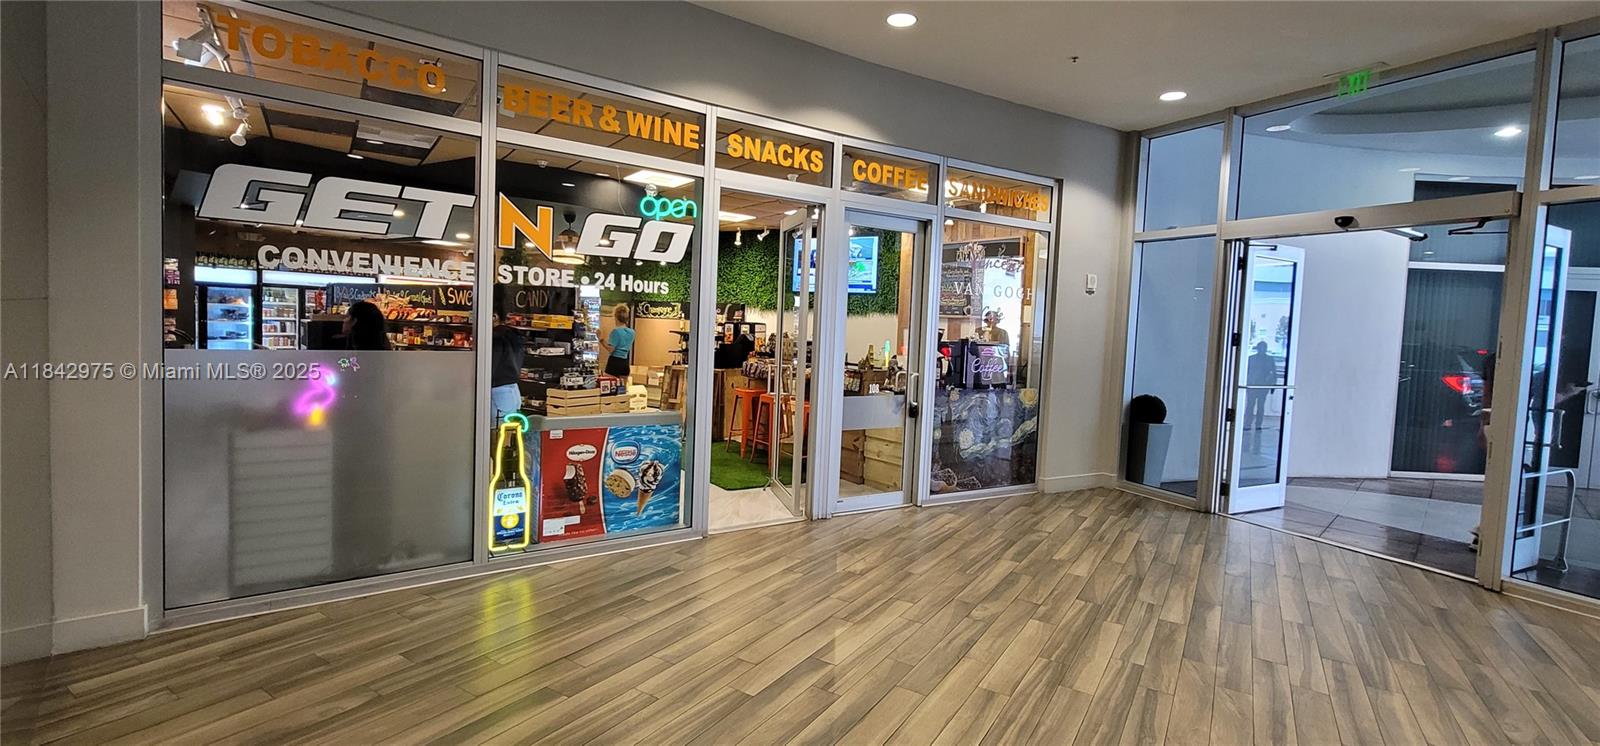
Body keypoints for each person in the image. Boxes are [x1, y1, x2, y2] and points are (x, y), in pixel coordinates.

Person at [490, 305, 525, 422]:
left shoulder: (495, 338)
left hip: (497, 391)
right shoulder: (514, 336)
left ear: (494, 316)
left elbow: (491, 365)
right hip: (513, 389)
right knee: (507, 429)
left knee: (494, 429)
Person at [600, 303, 635, 382]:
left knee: (609, 385)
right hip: (625, 362)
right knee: (623, 387)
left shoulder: (615, 332)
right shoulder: (632, 332)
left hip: (614, 362)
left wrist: (601, 339)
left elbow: (611, 349)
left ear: (616, 317)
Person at [1245, 341, 1274, 432]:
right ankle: (1247, 424)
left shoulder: (1269, 359)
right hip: (1252, 386)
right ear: (1257, 348)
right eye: (1261, 348)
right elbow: (1246, 372)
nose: (1262, 349)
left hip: (1263, 386)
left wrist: (1272, 386)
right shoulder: (1251, 358)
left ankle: (1258, 425)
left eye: (1264, 348)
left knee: (1260, 407)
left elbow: (1273, 373)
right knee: (1250, 406)